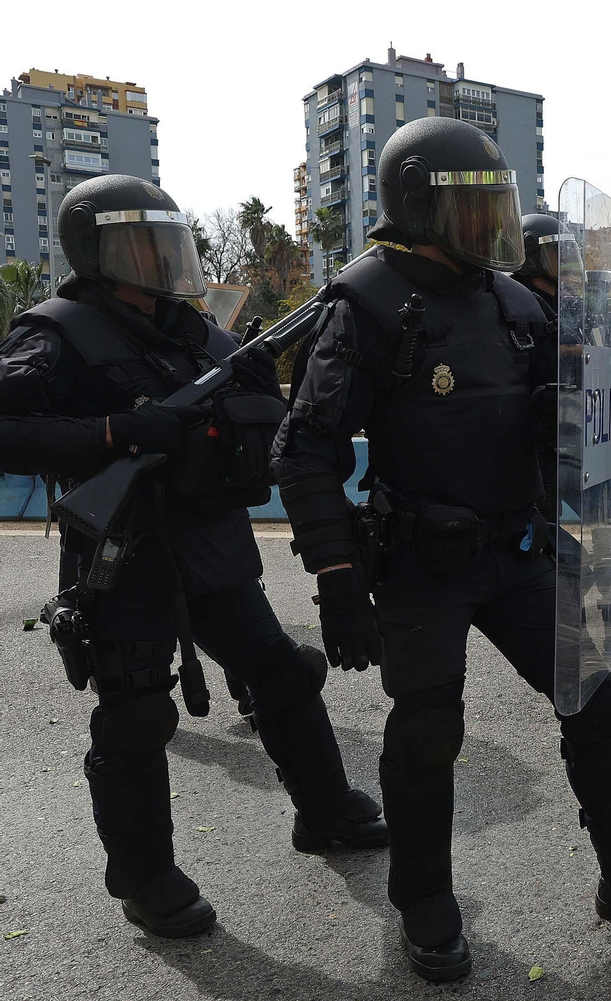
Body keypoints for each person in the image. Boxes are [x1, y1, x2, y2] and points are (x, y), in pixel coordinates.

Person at [271, 119, 611, 981]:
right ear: (418, 208)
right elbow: (304, 449)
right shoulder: (364, 304)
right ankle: (425, 903)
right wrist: (335, 581)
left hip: (518, 548)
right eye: (468, 207)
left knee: (601, 697)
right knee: (428, 727)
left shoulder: (517, 303)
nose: (488, 224)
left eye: (494, 206)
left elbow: (577, 419)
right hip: (419, 561)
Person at [0, 175, 387, 938]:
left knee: (280, 673)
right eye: (139, 243)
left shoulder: (198, 331)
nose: (159, 257)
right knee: (137, 716)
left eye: (165, 241)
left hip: (209, 541)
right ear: (96, 251)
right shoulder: (54, 331)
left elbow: (270, 418)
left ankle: (326, 809)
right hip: (123, 549)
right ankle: (146, 880)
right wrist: (113, 434)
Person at [512, 213, 611, 664]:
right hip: (532, 450)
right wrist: (576, 358)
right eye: (556, 252)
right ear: (532, 256)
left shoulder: (572, 305)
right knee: (552, 551)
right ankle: (564, 647)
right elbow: (532, 367)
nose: (567, 261)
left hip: (576, 441)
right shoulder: (516, 304)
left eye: (568, 251)